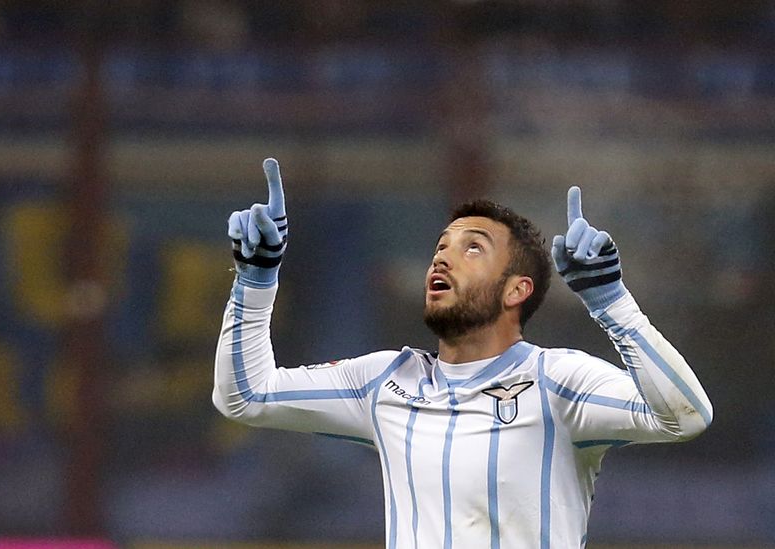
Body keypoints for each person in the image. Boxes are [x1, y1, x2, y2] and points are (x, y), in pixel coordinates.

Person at [213, 158, 712, 549]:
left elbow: (685, 417)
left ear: (516, 290)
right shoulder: (386, 381)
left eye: (473, 247)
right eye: (441, 245)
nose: (443, 255)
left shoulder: (558, 381)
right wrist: (256, 278)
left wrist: (610, 300)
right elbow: (246, 395)